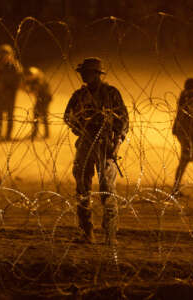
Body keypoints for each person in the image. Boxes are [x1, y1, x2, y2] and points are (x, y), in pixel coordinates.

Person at [64, 57, 129, 245]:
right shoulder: (79, 96)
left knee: (107, 189)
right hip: (85, 142)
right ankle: (87, 232)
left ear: (97, 74)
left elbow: (124, 120)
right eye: (83, 73)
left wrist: (117, 142)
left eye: (87, 72)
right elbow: (67, 116)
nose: (83, 76)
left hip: (106, 145)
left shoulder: (111, 94)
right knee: (82, 188)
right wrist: (80, 125)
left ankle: (110, 234)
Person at [23, 66, 53, 140]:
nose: (27, 78)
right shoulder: (35, 78)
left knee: (43, 114)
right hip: (41, 98)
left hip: (45, 98)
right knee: (37, 114)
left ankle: (44, 134)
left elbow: (36, 89)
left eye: (28, 77)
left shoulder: (39, 79)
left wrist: (29, 88)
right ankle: (36, 133)